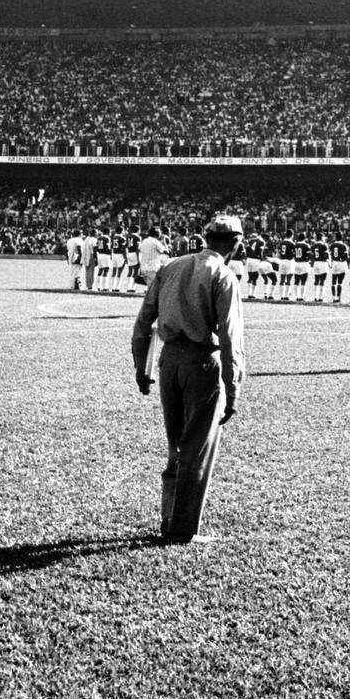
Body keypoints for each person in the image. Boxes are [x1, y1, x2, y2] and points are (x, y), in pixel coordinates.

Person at [131, 215, 245, 544]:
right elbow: (230, 340)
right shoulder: (224, 275)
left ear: (205, 238)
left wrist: (142, 367)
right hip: (201, 363)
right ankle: (182, 528)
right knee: (197, 446)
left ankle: (168, 517)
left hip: (169, 362)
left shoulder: (171, 267)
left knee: (176, 443)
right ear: (235, 244)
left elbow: (143, 322)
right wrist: (233, 388)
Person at [244, 229, 266, 299]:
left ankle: (248, 293)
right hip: (255, 260)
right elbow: (260, 252)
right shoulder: (261, 241)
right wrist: (262, 259)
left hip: (249, 260)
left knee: (250, 277)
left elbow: (246, 250)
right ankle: (252, 294)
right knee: (255, 278)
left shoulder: (250, 241)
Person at [277, 230, 297, 300]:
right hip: (289, 261)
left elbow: (278, 252)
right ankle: (286, 296)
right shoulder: (292, 243)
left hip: (282, 261)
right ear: (292, 235)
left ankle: (281, 296)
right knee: (289, 279)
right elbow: (295, 253)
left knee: (282, 279)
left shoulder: (281, 242)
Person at [329, 231, 349, 302]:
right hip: (341, 263)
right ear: (342, 237)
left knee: (333, 281)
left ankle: (334, 298)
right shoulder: (343, 245)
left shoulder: (332, 245)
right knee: (340, 282)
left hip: (334, 263)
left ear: (335, 237)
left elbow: (330, 254)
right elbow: (346, 256)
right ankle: (339, 298)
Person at [311, 233, 330, 301]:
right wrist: (329, 263)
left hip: (316, 263)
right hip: (322, 263)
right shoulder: (324, 245)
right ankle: (320, 297)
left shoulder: (313, 245)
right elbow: (326, 255)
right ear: (322, 237)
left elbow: (312, 255)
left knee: (316, 280)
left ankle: (315, 297)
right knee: (322, 281)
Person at [292, 232, 311, 301]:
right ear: (304, 238)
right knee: (303, 281)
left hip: (296, 263)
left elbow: (293, 254)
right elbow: (309, 256)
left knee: (296, 281)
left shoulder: (295, 245)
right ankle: (302, 297)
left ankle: (297, 296)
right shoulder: (306, 245)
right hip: (304, 263)